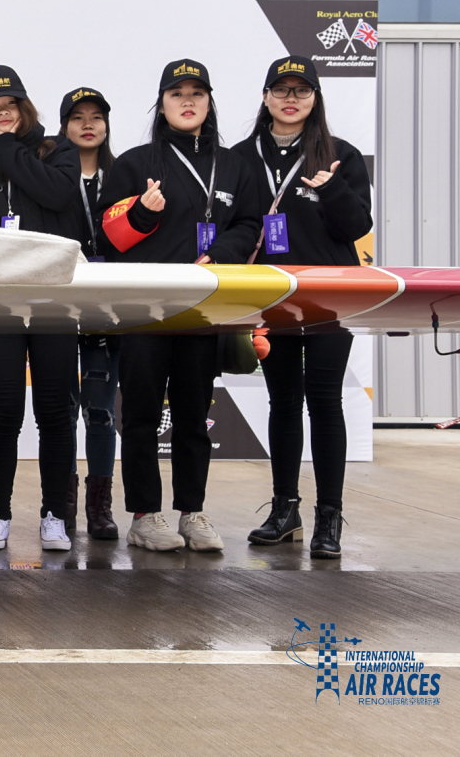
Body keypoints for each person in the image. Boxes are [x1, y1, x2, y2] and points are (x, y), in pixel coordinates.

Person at [99, 59, 262, 553]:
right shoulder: (134, 164)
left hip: (203, 309)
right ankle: (145, 516)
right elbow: (109, 237)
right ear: (162, 104)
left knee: (193, 417)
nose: (187, 101)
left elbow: (249, 225)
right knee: (142, 415)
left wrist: (221, 255)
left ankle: (193, 512)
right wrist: (142, 214)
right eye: (177, 94)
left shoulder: (234, 165)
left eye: (197, 93)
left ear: (209, 102)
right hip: (146, 309)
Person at [235, 56, 370, 559]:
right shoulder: (241, 157)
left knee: (326, 402)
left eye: (301, 90)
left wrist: (331, 189)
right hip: (271, 298)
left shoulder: (340, 154)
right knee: (284, 403)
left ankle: (329, 517)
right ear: (266, 97)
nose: (291, 99)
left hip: (329, 298)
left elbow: (356, 227)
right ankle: (284, 510)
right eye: (281, 89)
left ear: (315, 98)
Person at [0, 66, 81, 553]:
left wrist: (7, 147)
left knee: (55, 413)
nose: (2, 114)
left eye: (10, 105)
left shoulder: (56, 150)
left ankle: (55, 515)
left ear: (24, 107)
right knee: (5, 410)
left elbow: (57, 193)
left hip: (54, 303)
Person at [60, 87, 120, 540]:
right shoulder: (52, 174)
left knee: (100, 411)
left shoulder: (123, 175)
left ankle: (100, 506)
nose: (87, 124)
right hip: (61, 306)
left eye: (96, 116)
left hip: (108, 307)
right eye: (77, 116)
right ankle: (62, 501)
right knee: (62, 411)